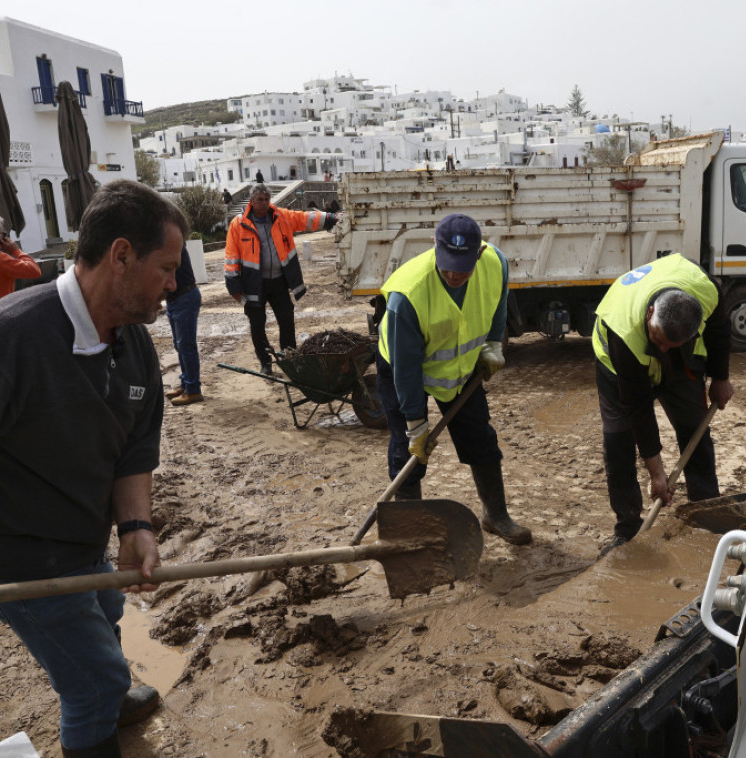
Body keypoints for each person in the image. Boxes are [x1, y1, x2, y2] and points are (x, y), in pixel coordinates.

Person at [0, 179, 189, 757]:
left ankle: (109, 690)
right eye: (166, 267)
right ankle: (101, 696)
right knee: (90, 682)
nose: (175, 283)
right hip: (17, 555)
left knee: (106, 610)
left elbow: (135, 445)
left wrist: (135, 527)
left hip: (81, 536)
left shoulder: (132, 341)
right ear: (120, 256)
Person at [376, 213, 532, 545]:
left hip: (460, 370)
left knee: (479, 437)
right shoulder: (408, 296)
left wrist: (492, 344)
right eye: (448, 265)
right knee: (407, 448)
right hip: (403, 368)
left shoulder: (495, 264)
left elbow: (499, 301)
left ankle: (496, 515)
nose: (454, 274)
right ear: (435, 247)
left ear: (478, 254)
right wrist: (417, 427)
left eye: (463, 266)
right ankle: (411, 532)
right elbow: (406, 371)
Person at [593, 254, 735, 555]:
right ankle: (627, 526)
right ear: (651, 313)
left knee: (694, 430)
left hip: (679, 367)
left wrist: (720, 378)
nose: (663, 349)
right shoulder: (625, 329)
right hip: (618, 370)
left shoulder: (707, 291)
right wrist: (657, 475)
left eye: (671, 344)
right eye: (658, 341)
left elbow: (720, 330)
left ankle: (706, 511)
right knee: (619, 442)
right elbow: (638, 408)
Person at [224, 183, 338, 374]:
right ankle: (265, 362)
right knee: (257, 325)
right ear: (252, 201)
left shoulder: (281, 216)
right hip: (253, 284)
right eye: (260, 199)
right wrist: (234, 286)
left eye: (266, 199)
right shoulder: (238, 224)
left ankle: (289, 358)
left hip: (278, 281)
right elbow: (231, 257)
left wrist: (331, 218)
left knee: (287, 319)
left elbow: (304, 218)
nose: (263, 203)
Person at [165, 243, 204, 406]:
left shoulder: (171, 241)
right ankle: (186, 383)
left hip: (185, 297)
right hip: (174, 299)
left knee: (186, 345)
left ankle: (193, 390)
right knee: (179, 344)